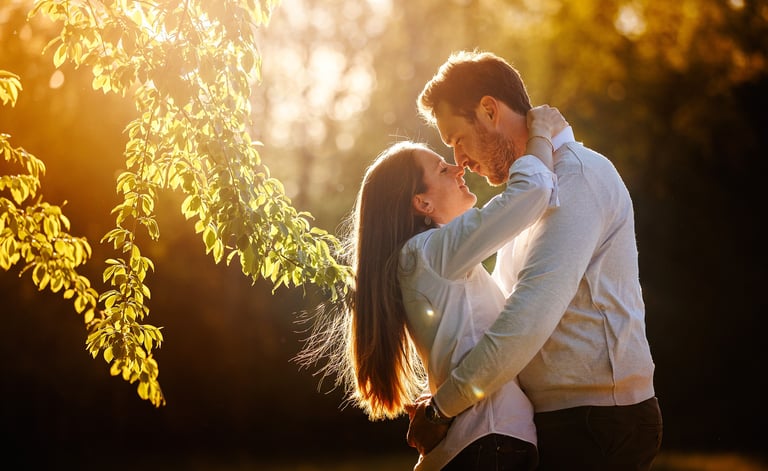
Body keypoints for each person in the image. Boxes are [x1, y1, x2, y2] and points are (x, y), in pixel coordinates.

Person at [406, 50, 663, 471]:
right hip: (558, 420)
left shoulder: (577, 177)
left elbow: (527, 317)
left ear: (488, 110)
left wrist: (444, 406)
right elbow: (500, 314)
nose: (460, 161)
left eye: (456, 139)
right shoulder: (528, 199)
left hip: (598, 421)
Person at [296, 106, 567, 471]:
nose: (458, 168)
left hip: (482, 444)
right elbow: (530, 193)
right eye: (443, 168)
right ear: (421, 203)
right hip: (489, 444)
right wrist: (541, 135)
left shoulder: (422, 257)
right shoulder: (429, 253)